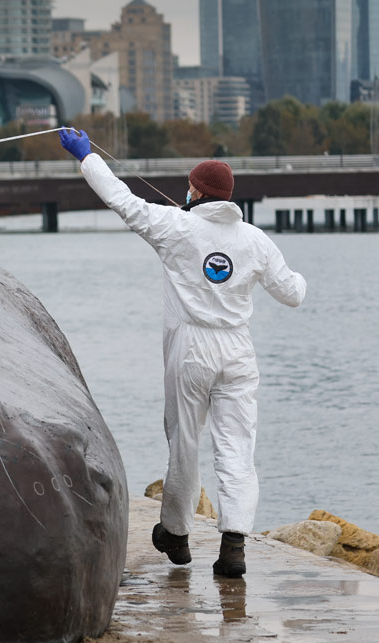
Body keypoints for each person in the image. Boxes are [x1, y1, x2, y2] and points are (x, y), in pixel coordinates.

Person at [59, 128, 306, 578]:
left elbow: (122, 199)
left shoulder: (176, 226)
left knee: (185, 441)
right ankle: (234, 543)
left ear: (195, 190)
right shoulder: (254, 239)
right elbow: (292, 294)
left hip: (191, 346)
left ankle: (176, 533)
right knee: (237, 448)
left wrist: (86, 157)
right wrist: (301, 280)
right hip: (237, 350)